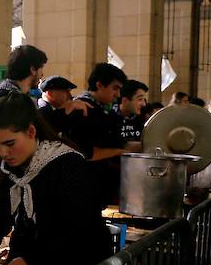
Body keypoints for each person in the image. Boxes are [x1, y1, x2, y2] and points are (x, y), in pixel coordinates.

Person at [0, 91, 113, 265]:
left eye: (10, 143)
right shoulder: (1, 168)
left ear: (31, 131)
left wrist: (31, 261)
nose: (3, 153)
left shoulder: (68, 165)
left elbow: (76, 229)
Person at [0, 45, 49, 210]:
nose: (42, 74)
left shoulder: (9, 94)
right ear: (32, 69)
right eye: (41, 68)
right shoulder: (7, 97)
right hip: (1, 179)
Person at [70, 63, 128, 203]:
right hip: (85, 187)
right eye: (115, 88)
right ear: (100, 85)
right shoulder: (83, 109)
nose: (118, 95)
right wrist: (119, 152)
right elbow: (85, 153)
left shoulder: (101, 109)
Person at [34, 75, 86, 142]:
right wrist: (66, 111)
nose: (70, 95)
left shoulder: (58, 108)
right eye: (66, 92)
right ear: (50, 94)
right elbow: (52, 129)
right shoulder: (40, 112)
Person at [117, 79, 150, 147]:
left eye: (144, 100)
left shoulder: (143, 116)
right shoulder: (110, 116)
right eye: (140, 99)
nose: (143, 104)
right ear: (125, 101)